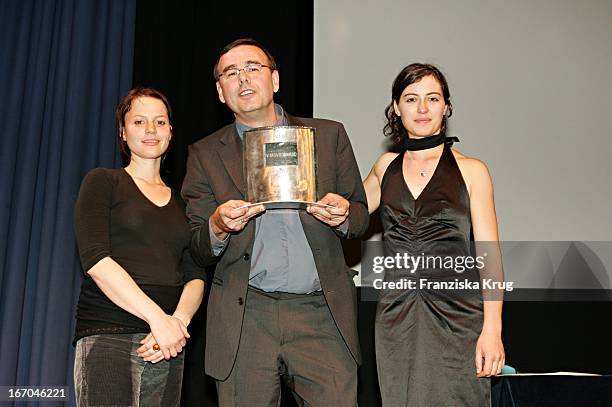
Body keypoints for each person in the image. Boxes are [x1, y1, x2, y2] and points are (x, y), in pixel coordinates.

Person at [181, 38, 369, 406]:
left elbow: (361, 216)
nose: (243, 79)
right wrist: (218, 225)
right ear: (221, 92)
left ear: (275, 79)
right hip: (246, 315)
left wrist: (344, 215)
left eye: (253, 68)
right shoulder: (204, 155)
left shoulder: (328, 136)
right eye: (230, 74)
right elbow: (197, 245)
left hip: (321, 313)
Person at [363, 63, 505, 406]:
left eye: (432, 98)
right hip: (397, 317)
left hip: (459, 316)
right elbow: (344, 212)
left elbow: (490, 258)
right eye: (411, 99)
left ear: (446, 106)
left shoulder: (472, 170)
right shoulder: (385, 169)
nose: (423, 109)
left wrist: (493, 330)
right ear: (396, 108)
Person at [73, 87, 205, 406]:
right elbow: (96, 260)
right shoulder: (102, 182)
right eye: (139, 121)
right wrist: (157, 319)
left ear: (170, 133)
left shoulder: (184, 204)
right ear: (123, 131)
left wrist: (178, 325)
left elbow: (196, 274)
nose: (150, 130)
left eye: (160, 122)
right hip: (110, 334)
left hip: (167, 344)